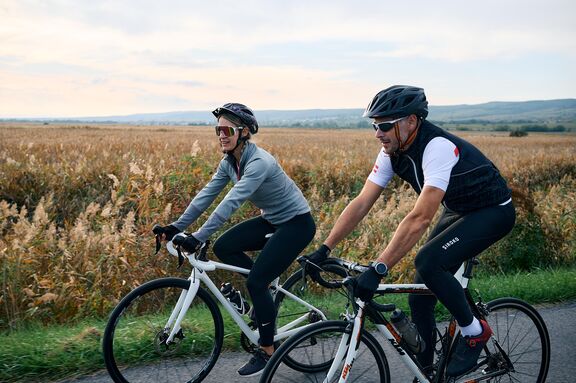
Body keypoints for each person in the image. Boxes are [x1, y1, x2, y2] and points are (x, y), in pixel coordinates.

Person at [304, 85, 515, 377]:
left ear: (411, 121)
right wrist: (324, 249)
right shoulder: (390, 151)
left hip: (493, 210)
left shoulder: (436, 147)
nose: (378, 132)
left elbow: (420, 218)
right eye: (375, 126)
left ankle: (474, 332)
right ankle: (427, 370)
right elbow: (362, 202)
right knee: (419, 294)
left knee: (429, 261)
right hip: (459, 208)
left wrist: (378, 268)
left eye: (385, 125)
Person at [155, 103, 316, 377]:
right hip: (272, 220)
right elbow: (206, 195)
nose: (221, 135)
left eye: (227, 129)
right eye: (217, 129)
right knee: (224, 247)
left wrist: (198, 236)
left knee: (256, 281)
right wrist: (176, 226)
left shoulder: (258, 163)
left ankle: (267, 350)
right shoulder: (229, 162)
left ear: (243, 132)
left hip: (296, 224)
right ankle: (261, 299)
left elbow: (231, 202)